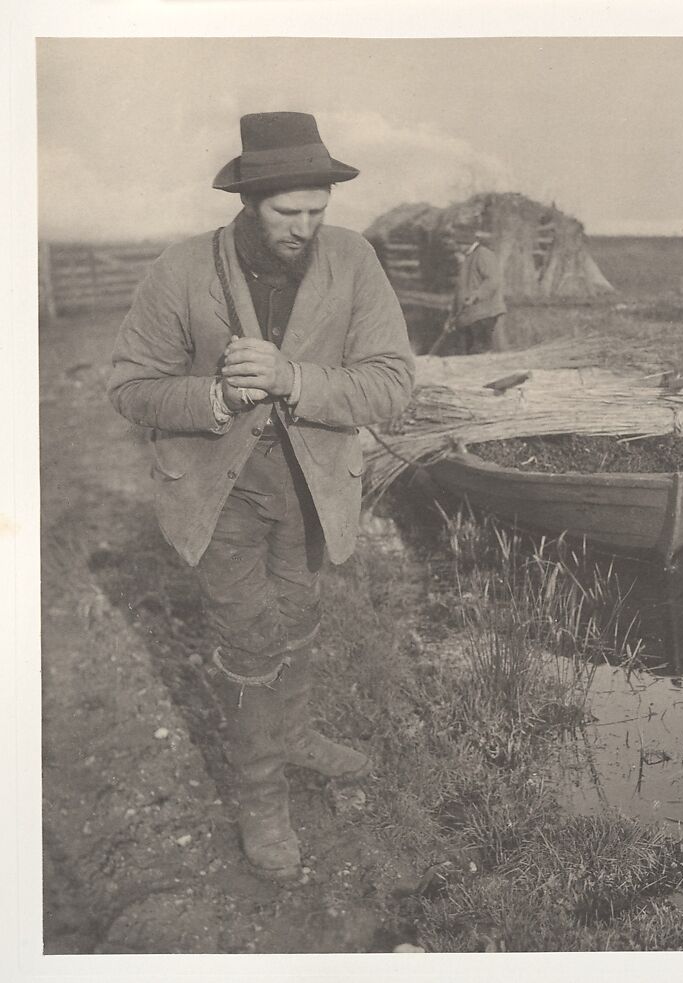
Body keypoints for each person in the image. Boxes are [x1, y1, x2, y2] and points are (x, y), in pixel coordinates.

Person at [108, 112, 416, 882]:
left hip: (312, 487)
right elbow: (129, 385)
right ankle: (260, 798)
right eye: (287, 213)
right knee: (250, 641)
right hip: (221, 489)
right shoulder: (182, 272)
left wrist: (295, 380)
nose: (305, 228)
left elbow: (393, 380)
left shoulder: (354, 260)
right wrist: (213, 397)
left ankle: (297, 733)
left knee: (298, 616)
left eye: (318, 210)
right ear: (248, 201)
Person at [450, 233, 507, 353]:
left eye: (459, 244)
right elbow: (460, 290)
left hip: (484, 312)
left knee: (480, 349)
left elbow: (493, 280)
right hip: (469, 314)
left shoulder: (483, 254)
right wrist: (452, 317)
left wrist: (476, 295)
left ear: (467, 242)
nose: (457, 247)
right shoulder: (466, 258)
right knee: (468, 351)